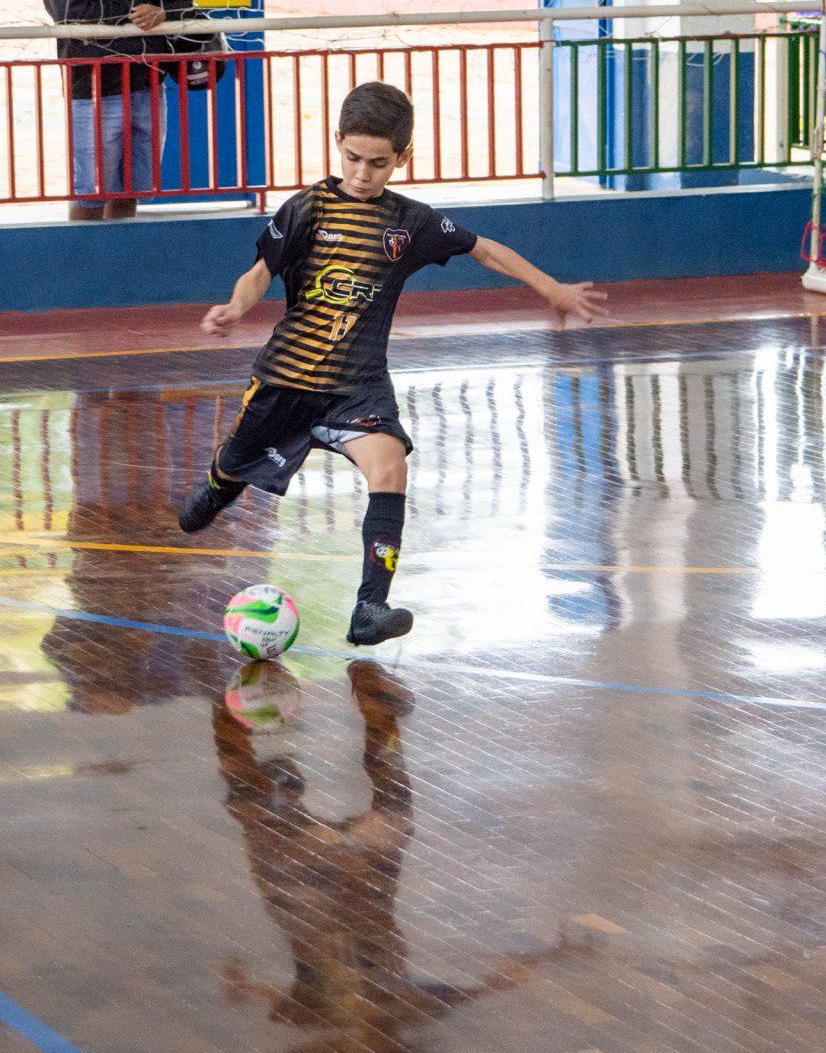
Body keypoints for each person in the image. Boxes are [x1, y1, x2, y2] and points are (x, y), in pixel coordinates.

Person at [177, 82, 607, 646]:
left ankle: (369, 608)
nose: (362, 173)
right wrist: (236, 307)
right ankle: (221, 482)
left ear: (403, 158)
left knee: (390, 471)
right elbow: (261, 270)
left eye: (378, 164)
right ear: (337, 144)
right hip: (288, 378)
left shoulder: (411, 224)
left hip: (359, 385)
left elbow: (484, 249)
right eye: (352, 158)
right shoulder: (307, 208)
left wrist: (550, 287)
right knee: (234, 467)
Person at [40, 0, 210, 222]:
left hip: (148, 87)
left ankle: (121, 265)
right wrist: (138, 21)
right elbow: (73, 14)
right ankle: (84, 265)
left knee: (132, 190)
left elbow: (182, 3)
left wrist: (162, 12)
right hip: (94, 91)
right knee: (91, 193)